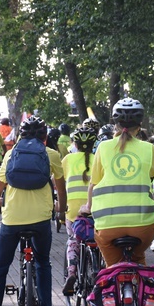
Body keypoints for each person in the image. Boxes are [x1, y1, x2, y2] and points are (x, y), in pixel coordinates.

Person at [79, 97, 154, 306]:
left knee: (111, 271)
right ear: (140, 123)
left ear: (115, 122)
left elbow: (94, 184)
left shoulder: (104, 148)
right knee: (140, 264)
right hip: (142, 226)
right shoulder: (149, 149)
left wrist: (87, 206)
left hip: (107, 226)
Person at [0, 116, 67, 306]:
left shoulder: (10, 154)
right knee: (43, 262)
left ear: (21, 136)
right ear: (44, 137)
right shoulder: (51, 155)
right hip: (41, 220)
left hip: (12, 220)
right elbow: (61, 191)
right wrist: (61, 211)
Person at [61, 126, 97, 295]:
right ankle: (98, 267)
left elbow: (58, 183)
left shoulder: (68, 159)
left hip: (73, 209)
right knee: (97, 239)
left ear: (74, 143)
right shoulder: (98, 158)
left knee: (73, 239)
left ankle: (72, 271)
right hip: (95, 207)